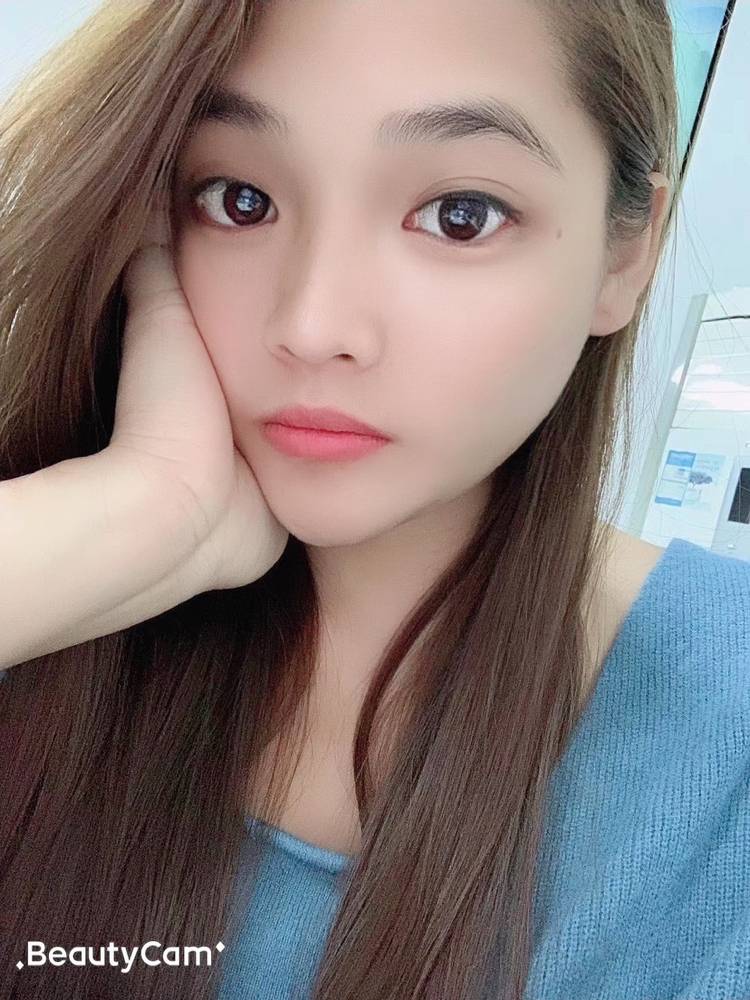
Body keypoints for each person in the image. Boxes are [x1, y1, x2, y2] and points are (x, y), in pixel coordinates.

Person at [0, 0, 747, 998]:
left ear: (625, 254)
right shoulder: (56, 606)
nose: (314, 325)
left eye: (460, 214)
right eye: (239, 200)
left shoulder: (725, 739)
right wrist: (132, 519)